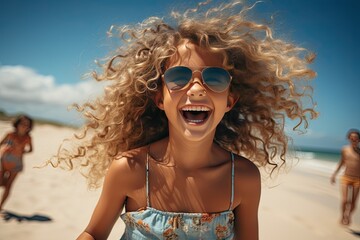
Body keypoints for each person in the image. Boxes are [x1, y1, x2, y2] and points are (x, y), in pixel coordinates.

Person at [49, 1, 317, 239]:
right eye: (178, 77)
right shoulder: (128, 169)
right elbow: (93, 233)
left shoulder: (244, 178)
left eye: (214, 78)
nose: (197, 88)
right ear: (160, 100)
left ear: (229, 102)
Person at [0, 115, 33, 211]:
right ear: (17, 124)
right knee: (1, 182)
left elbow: (31, 150)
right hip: (4, 161)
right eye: (22, 124)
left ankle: (0, 207)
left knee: (9, 186)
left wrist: (23, 151)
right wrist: (4, 148)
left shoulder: (28, 138)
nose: (24, 126)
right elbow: (1, 144)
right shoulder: (10, 134)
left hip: (17, 164)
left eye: (27, 125)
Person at [331, 129, 360, 226]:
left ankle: (349, 215)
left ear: (359, 140)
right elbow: (341, 162)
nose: (354, 140)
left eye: (356, 138)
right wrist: (334, 174)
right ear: (348, 138)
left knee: (353, 203)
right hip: (345, 178)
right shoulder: (345, 149)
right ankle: (343, 215)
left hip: (357, 180)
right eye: (352, 138)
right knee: (344, 200)